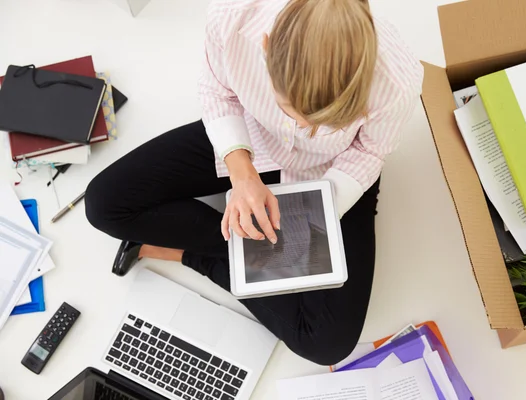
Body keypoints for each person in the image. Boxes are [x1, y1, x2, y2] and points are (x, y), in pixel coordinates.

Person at [85, 0, 424, 365]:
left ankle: (199, 254)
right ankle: (245, 249)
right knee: (104, 203)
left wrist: (311, 216)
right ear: (266, 47)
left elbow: (369, 152)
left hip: (335, 169)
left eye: (323, 123)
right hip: (253, 138)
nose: (303, 131)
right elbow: (218, 92)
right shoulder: (232, 16)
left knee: (327, 343)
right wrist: (241, 172)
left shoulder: (397, 82)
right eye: (290, 110)